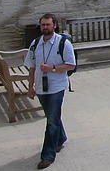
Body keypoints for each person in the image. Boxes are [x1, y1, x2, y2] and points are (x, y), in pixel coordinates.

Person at [24, 13, 76, 169]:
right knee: (52, 117)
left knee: (52, 121)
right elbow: (32, 67)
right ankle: (61, 138)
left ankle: (48, 155)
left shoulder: (63, 43)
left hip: (57, 87)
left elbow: (71, 65)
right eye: (43, 25)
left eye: (48, 24)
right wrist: (30, 86)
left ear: (54, 26)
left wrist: (52, 68)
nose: (45, 27)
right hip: (41, 87)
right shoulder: (35, 44)